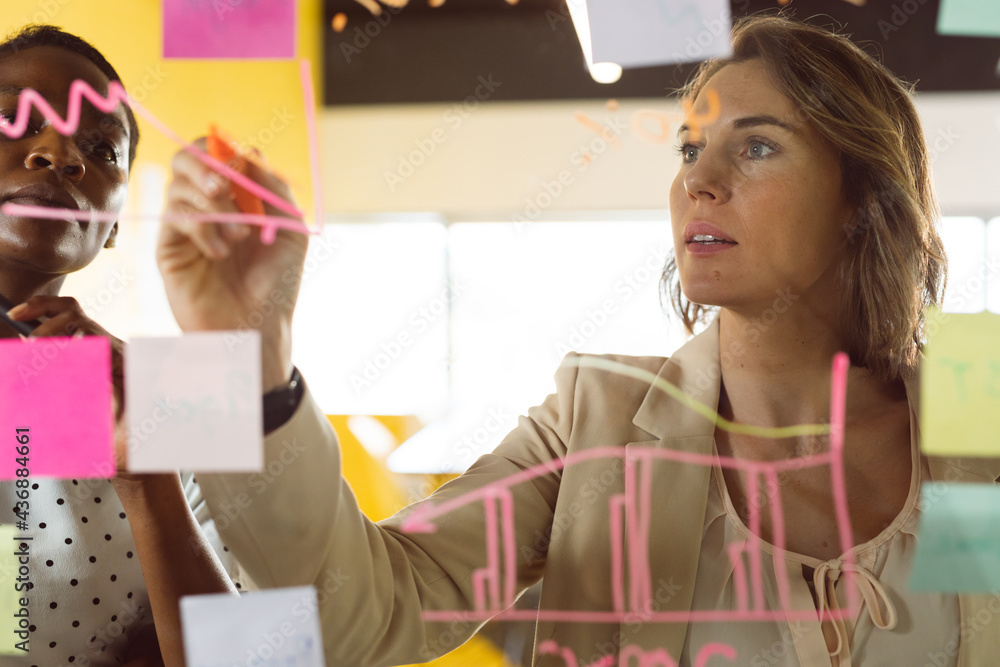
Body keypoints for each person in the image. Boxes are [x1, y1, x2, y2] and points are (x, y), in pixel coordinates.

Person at [160, 14, 1000, 667]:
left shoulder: (977, 417)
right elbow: (362, 615)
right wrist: (253, 349)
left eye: (756, 146)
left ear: (864, 196)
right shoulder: (597, 424)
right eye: (689, 149)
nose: (698, 182)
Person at [0, 25, 246, 667]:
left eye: (102, 148)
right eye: (12, 117)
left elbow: (253, 655)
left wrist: (147, 478)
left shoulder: (178, 396)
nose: (58, 151)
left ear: (111, 227)